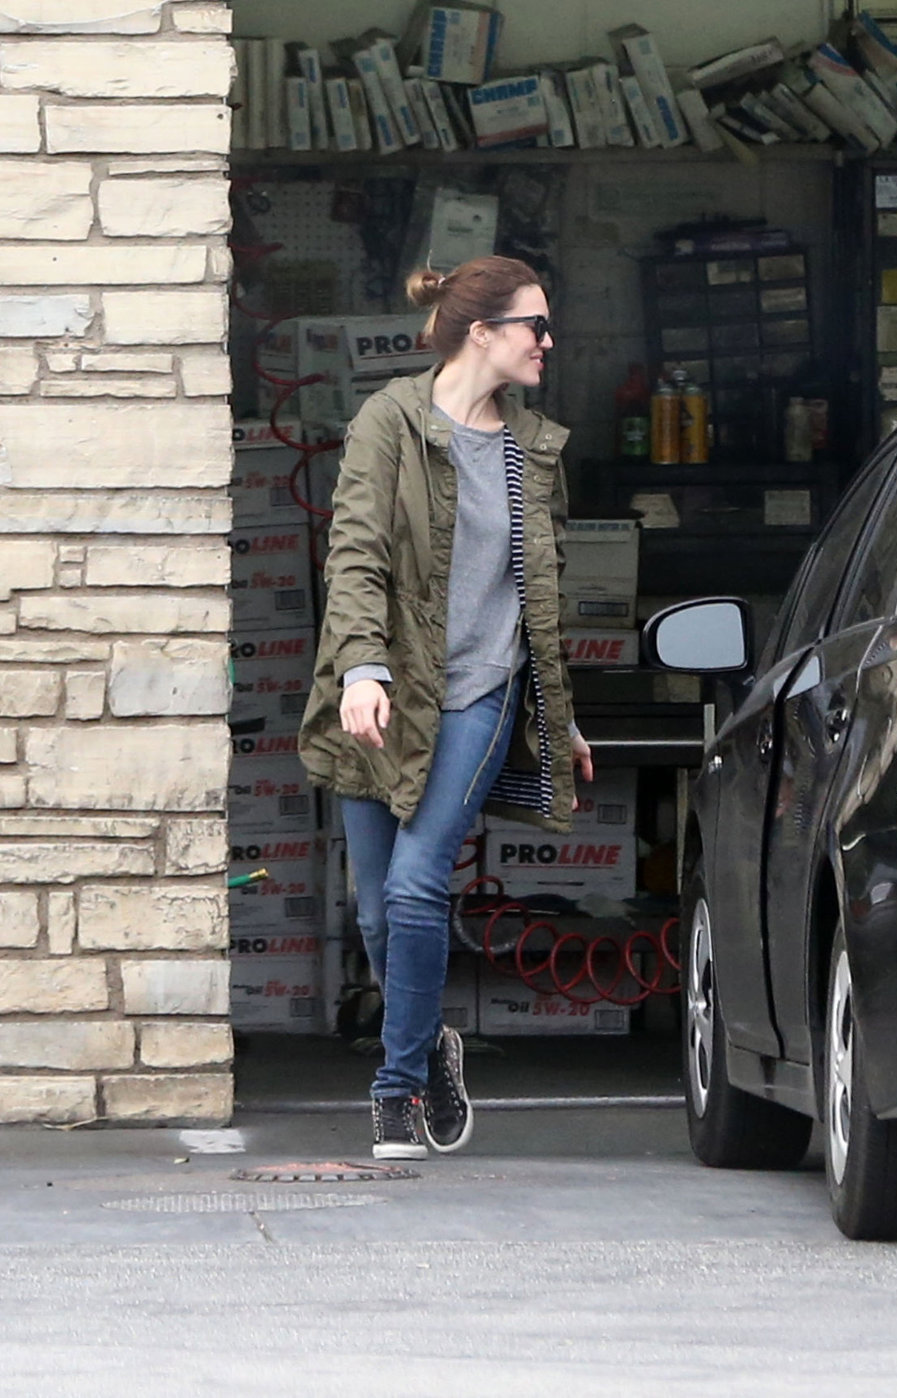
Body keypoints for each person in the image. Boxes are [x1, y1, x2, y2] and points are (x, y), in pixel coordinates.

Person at [298, 255, 594, 1161]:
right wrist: (359, 668)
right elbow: (354, 555)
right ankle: (429, 1045)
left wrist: (560, 714)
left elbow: (540, 596)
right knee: (380, 912)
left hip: (481, 690)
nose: (547, 341)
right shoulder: (389, 422)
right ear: (482, 333)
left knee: (420, 884)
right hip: (383, 691)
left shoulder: (534, 449)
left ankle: (397, 1091)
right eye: (533, 325)